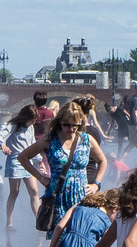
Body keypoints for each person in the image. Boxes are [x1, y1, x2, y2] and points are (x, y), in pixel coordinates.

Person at [20, 101, 107, 238]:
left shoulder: (86, 140)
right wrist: (41, 178)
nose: (71, 128)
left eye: (75, 125)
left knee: (80, 236)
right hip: (58, 196)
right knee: (59, 238)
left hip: (81, 195)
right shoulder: (50, 140)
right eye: (67, 124)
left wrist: (96, 183)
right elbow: (23, 157)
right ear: (60, 122)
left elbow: (102, 161)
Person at [1, 106, 41, 228]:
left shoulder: (31, 127)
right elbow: (0, 136)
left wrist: (39, 160)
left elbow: (32, 144)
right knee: (14, 192)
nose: (33, 122)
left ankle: (39, 221)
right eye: (32, 120)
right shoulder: (12, 125)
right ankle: (9, 222)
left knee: (34, 191)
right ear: (25, 117)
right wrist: (2, 145)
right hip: (15, 160)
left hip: (28, 160)